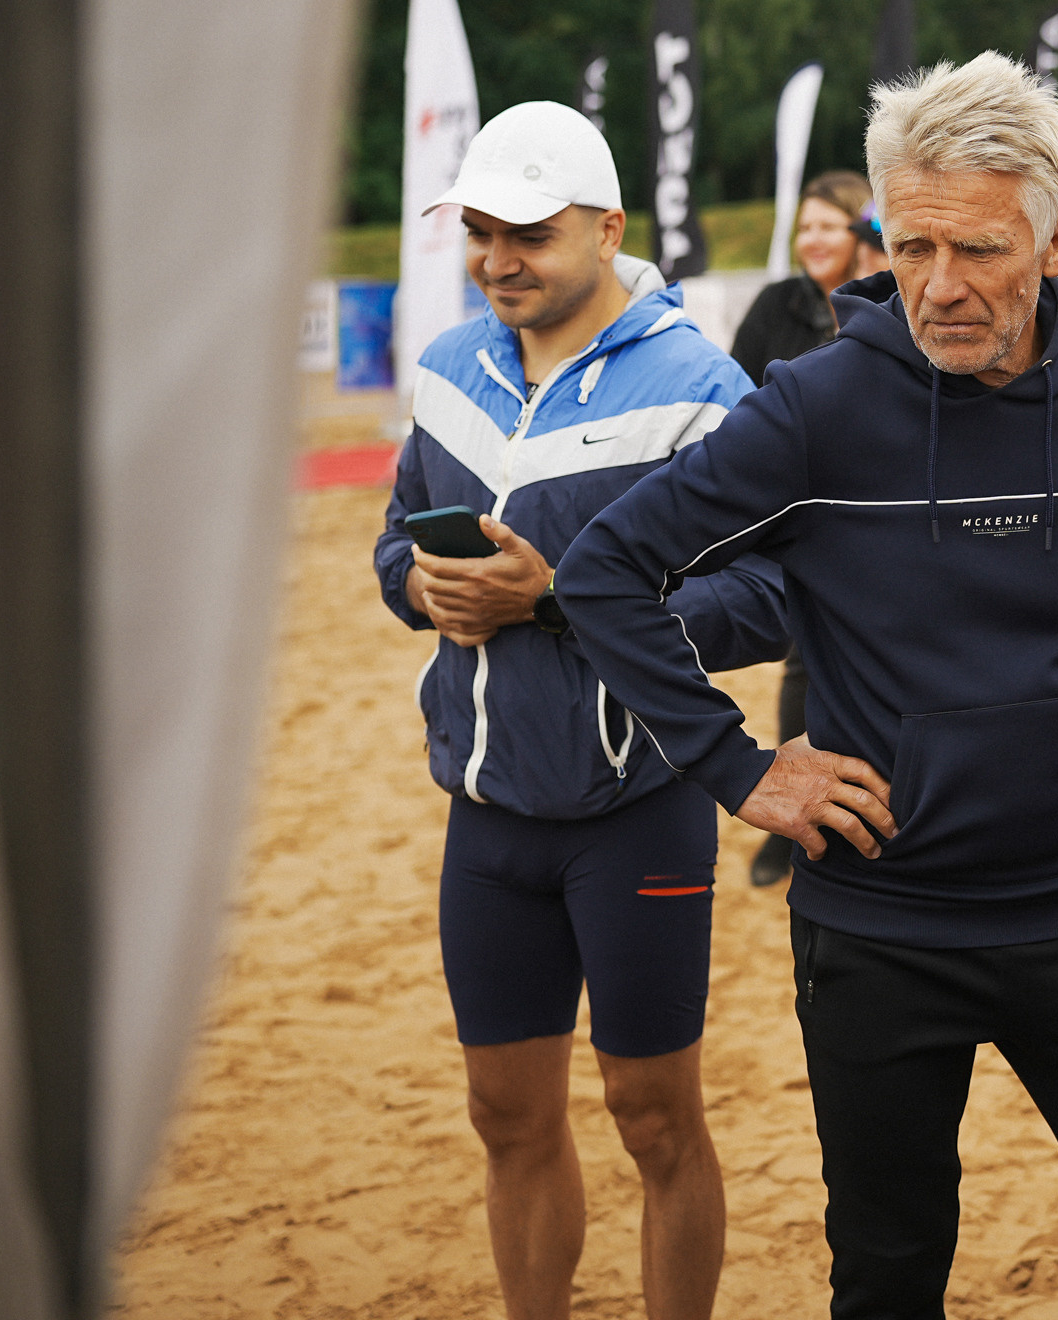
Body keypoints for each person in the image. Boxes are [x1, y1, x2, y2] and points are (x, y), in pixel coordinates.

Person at [557, 52, 1058, 1317]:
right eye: (912, 243)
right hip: (879, 937)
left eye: (981, 250)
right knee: (886, 1279)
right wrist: (740, 767)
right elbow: (608, 569)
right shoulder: (818, 408)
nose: (939, 286)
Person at [373, 100, 788, 1320]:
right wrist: (420, 583)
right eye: (481, 232)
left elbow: (767, 599)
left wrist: (559, 601)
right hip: (489, 815)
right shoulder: (449, 366)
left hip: (638, 811)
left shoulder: (704, 385)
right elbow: (393, 543)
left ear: (609, 228)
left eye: (530, 235)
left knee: (655, 1122)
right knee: (504, 1114)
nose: (499, 260)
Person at [731, 170, 874, 888]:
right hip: (794, 508)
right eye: (804, 227)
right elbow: (734, 399)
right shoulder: (775, 305)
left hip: (875, 503)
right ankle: (788, 828)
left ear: (860, 231)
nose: (813, 239)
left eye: (829, 225)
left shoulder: (884, 299)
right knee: (801, 658)